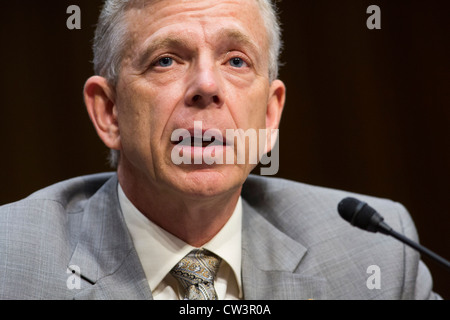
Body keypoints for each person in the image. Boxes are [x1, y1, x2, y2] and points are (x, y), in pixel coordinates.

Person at [0, 0, 441, 300]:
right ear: (109, 112)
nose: (207, 86)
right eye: (167, 59)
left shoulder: (372, 254)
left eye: (236, 60)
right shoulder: (12, 262)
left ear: (269, 117)